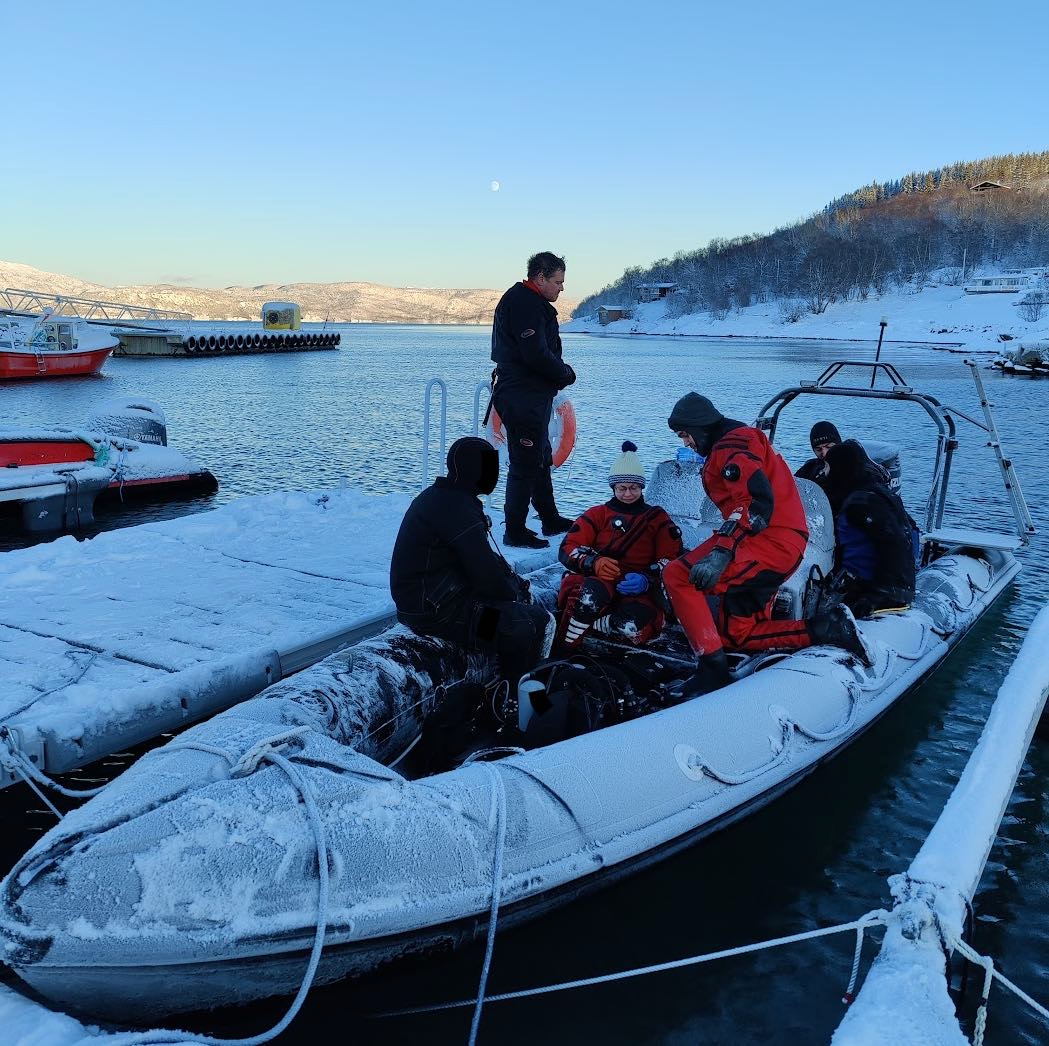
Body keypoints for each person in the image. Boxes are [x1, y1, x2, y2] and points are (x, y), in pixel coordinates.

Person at [662, 393, 870, 699]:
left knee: (678, 576)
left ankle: (711, 669)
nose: (686, 443)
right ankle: (826, 628)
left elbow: (755, 502)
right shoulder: (740, 442)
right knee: (737, 634)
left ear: (700, 427)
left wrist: (721, 552)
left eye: (685, 435)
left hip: (770, 542)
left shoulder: (731, 448)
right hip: (782, 541)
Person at [390, 436, 554, 733]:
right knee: (527, 623)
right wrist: (514, 594)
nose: (495, 475)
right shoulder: (456, 508)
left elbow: (485, 561)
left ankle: (512, 691)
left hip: (433, 601)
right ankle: (518, 705)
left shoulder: (445, 498)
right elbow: (487, 575)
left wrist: (512, 584)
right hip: (440, 615)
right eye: (489, 467)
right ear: (472, 470)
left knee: (514, 613)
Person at [555, 441, 684, 651]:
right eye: (621, 488)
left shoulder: (657, 518)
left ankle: (596, 625)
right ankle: (565, 648)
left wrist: (648, 578)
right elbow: (568, 546)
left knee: (631, 626)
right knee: (587, 597)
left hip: (638, 588)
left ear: (642, 488)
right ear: (613, 488)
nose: (627, 494)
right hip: (601, 580)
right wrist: (592, 562)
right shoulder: (598, 514)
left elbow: (672, 556)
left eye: (633, 488)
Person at [490, 251, 577, 549]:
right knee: (525, 462)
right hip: (521, 394)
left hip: (531, 394)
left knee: (540, 456)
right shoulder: (524, 303)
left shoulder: (530, 301)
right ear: (540, 278)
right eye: (558, 281)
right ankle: (514, 530)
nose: (562, 288)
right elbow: (535, 354)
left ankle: (549, 518)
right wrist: (565, 374)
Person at [820, 440, 917, 617]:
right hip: (858, 582)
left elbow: (893, 545)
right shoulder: (871, 493)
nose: (824, 472)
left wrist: (881, 593)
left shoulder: (862, 503)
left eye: (827, 467)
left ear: (841, 468)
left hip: (869, 588)